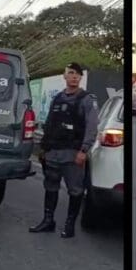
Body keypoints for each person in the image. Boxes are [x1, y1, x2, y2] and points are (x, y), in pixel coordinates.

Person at [29, 62, 99, 239]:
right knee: (50, 186)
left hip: (72, 154)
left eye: (78, 74)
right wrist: (43, 149)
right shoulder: (58, 98)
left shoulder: (86, 100)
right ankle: (48, 221)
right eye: (71, 73)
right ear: (65, 76)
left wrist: (83, 150)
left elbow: (92, 127)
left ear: (81, 78)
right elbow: (50, 124)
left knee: (75, 190)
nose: (74, 77)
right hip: (53, 152)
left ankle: (69, 226)